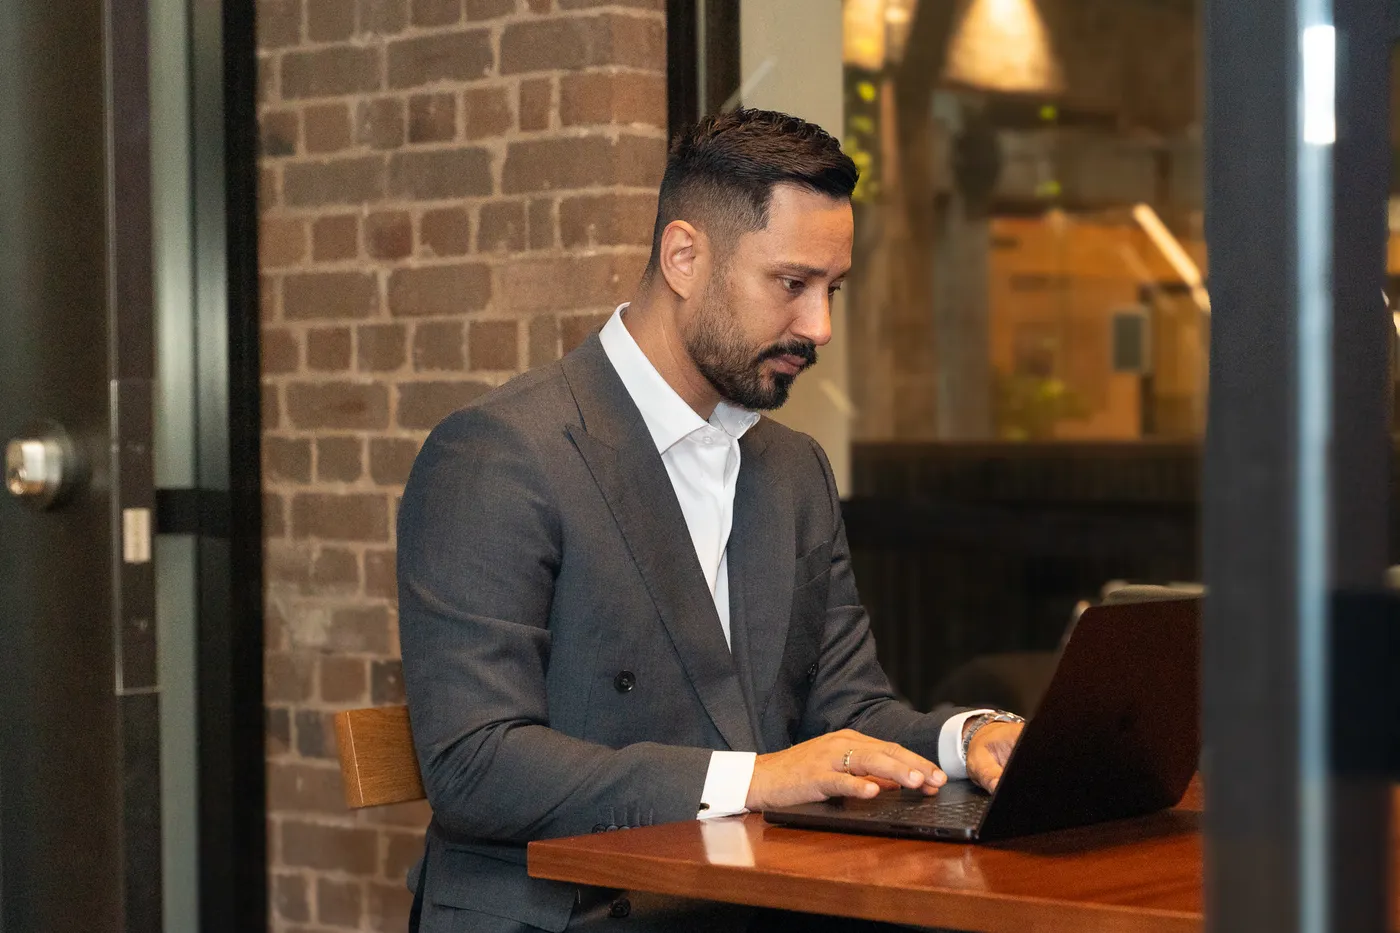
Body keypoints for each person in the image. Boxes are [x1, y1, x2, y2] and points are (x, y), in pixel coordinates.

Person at [397, 108, 1025, 933]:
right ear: (684, 256)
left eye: (832, 290)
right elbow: (474, 763)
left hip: (735, 903)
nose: (820, 327)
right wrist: (758, 779)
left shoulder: (791, 468)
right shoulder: (499, 453)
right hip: (560, 915)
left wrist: (968, 740)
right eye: (792, 285)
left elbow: (848, 711)